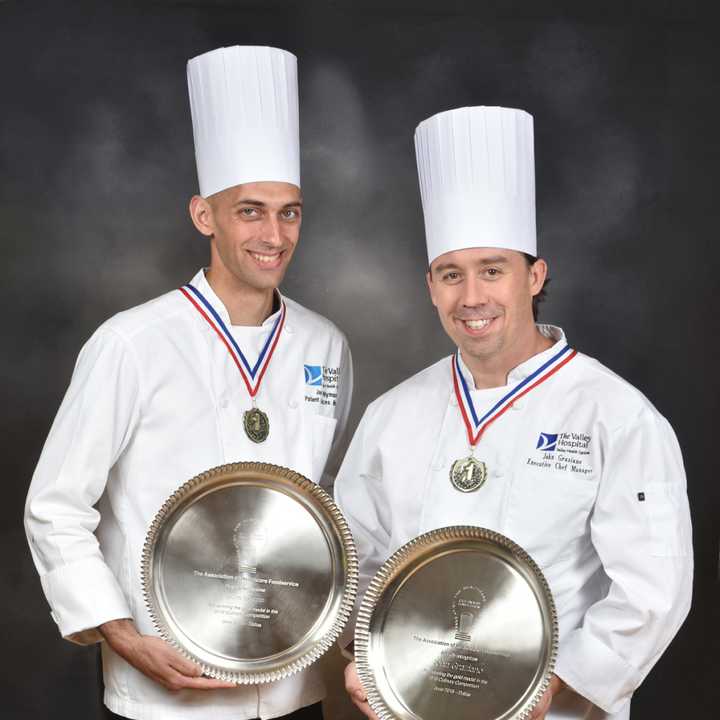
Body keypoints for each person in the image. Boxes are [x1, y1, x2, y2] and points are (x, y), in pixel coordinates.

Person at [24, 46, 352, 720]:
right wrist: (121, 634)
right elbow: (55, 506)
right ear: (204, 216)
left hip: (293, 686)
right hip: (169, 687)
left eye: (289, 212)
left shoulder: (327, 345)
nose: (274, 234)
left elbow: (313, 504)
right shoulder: (132, 342)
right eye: (250, 211)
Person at [335, 106, 691, 720]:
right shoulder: (392, 414)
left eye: (492, 271)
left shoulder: (616, 415)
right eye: (452, 275)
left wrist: (552, 686)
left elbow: (651, 592)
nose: (471, 298)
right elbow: (356, 560)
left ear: (535, 276)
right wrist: (363, 658)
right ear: (430, 285)